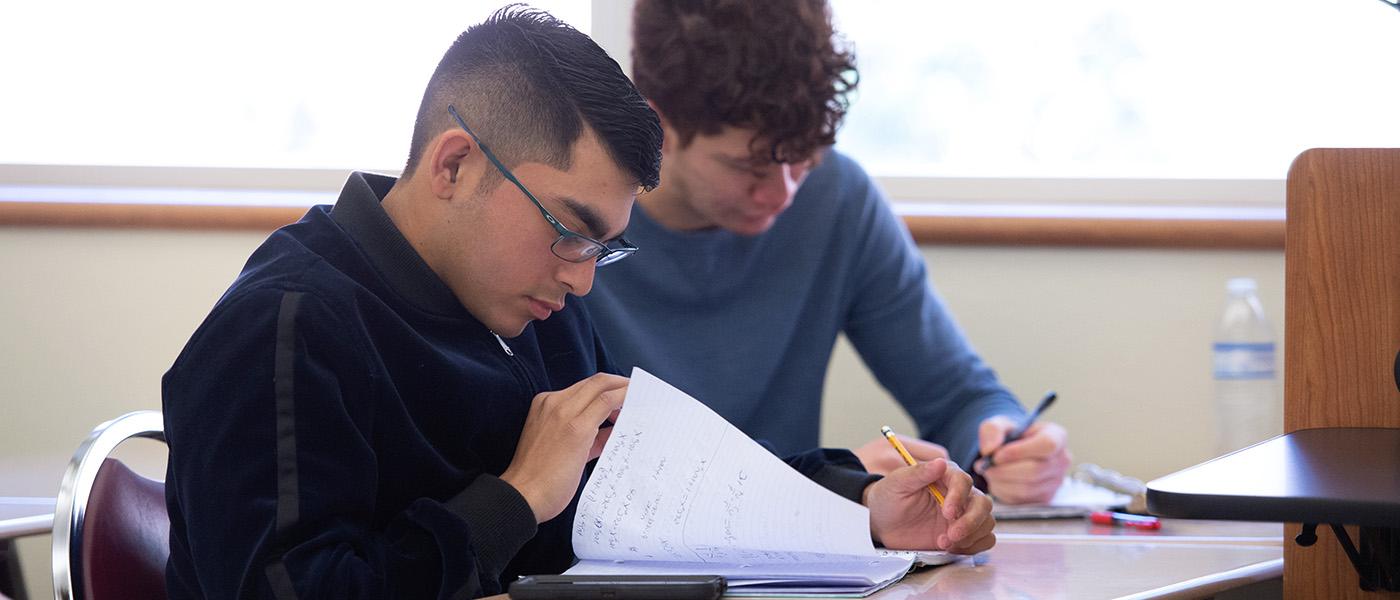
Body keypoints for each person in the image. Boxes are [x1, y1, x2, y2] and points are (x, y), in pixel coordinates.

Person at [162, 7, 993, 599]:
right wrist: (517, 497)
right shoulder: (285, 330)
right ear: (454, 166)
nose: (584, 277)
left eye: (605, 245)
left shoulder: (531, 313)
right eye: (570, 228)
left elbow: (663, 496)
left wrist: (858, 509)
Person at [586, 0, 1071, 504]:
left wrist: (1009, 443)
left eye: (805, 160)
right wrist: (830, 480)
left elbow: (961, 398)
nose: (783, 194)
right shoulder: (574, 227)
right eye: (748, 168)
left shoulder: (838, 197)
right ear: (656, 122)